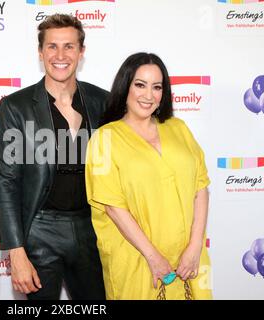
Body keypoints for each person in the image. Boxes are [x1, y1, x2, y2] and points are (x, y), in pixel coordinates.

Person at [0, 14, 106, 300]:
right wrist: (16, 252)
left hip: (92, 228)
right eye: (52, 46)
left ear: (81, 52)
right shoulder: (16, 106)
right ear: (40, 52)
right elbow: (6, 182)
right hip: (39, 229)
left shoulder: (102, 101)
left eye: (69, 46)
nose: (60, 55)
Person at [85, 52, 212, 300]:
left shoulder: (179, 128)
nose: (148, 95)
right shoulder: (104, 139)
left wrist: (195, 247)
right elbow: (112, 206)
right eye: (140, 85)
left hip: (189, 258)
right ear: (125, 87)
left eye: (157, 87)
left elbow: (201, 187)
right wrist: (153, 256)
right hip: (138, 258)